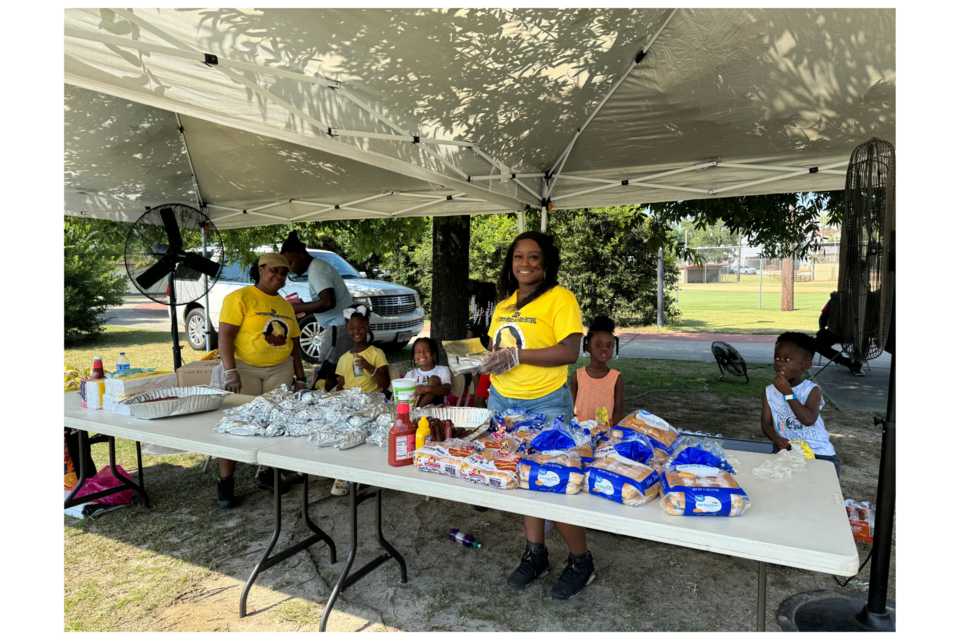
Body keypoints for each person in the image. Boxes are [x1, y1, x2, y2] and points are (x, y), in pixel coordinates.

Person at [479, 231, 595, 600]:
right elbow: (500, 346)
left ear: (546, 264)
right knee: (521, 480)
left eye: (533, 257)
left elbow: (570, 352)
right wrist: (488, 359)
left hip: (546, 404)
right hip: (503, 402)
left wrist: (518, 356)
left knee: (554, 484)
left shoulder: (561, 299)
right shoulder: (504, 305)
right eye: (518, 257)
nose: (525, 264)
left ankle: (581, 560)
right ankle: (536, 553)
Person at [217, 254, 309, 509]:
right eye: (274, 270)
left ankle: (268, 473)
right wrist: (230, 371)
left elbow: (294, 344)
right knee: (237, 423)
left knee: (275, 420)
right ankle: (226, 480)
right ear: (260, 269)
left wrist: (300, 377)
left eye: (284, 272)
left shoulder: (285, 305)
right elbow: (224, 336)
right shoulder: (240, 297)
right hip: (245, 369)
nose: (279, 275)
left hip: (279, 369)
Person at [760, 331, 840, 478]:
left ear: (805, 365)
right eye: (776, 358)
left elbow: (808, 420)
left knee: (821, 493)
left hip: (818, 453)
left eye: (787, 359)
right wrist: (776, 439)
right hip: (786, 452)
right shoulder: (769, 392)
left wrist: (788, 393)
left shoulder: (812, 390)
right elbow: (766, 424)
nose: (779, 363)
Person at [280, 231, 354, 391]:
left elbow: (328, 302)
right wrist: (306, 306)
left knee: (332, 374)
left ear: (300, 256)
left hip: (338, 328)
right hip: (337, 326)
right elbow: (324, 300)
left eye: (290, 262)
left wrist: (298, 307)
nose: (290, 269)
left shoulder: (317, 270)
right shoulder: (316, 268)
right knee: (329, 371)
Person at [329, 306, 390, 496]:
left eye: (361, 327)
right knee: (336, 425)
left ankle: (352, 474)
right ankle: (339, 469)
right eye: (352, 328)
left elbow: (385, 383)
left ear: (368, 328)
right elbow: (341, 387)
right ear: (348, 331)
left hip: (370, 400)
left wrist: (368, 367)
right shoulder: (343, 359)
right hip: (348, 400)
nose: (357, 331)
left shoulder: (376, 353)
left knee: (358, 429)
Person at [570, 316, 624, 427]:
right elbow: (572, 406)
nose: (604, 348)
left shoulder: (617, 378)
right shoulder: (577, 376)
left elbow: (618, 409)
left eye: (609, 345)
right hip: (580, 431)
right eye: (598, 345)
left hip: (605, 432)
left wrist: (611, 434)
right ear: (587, 347)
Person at [815, 292, 863, 376]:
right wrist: (822, 329)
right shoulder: (834, 301)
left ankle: (857, 366)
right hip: (835, 332)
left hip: (858, 334)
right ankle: (844, 361)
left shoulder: (865, 301)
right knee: (817, 343)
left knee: (863, 342)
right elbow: (823, 315)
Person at [404, 337, 452, 408]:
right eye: (418, 352)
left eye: (426, 351)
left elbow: (447, 390)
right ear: (414, 357)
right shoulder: (411, 374)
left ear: (434, 355)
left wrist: (427, 389)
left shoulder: (443, 370)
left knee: (434, 379)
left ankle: (417, 410)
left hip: (435, 410)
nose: (422, 354)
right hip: (413, 406)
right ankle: (415, 410)